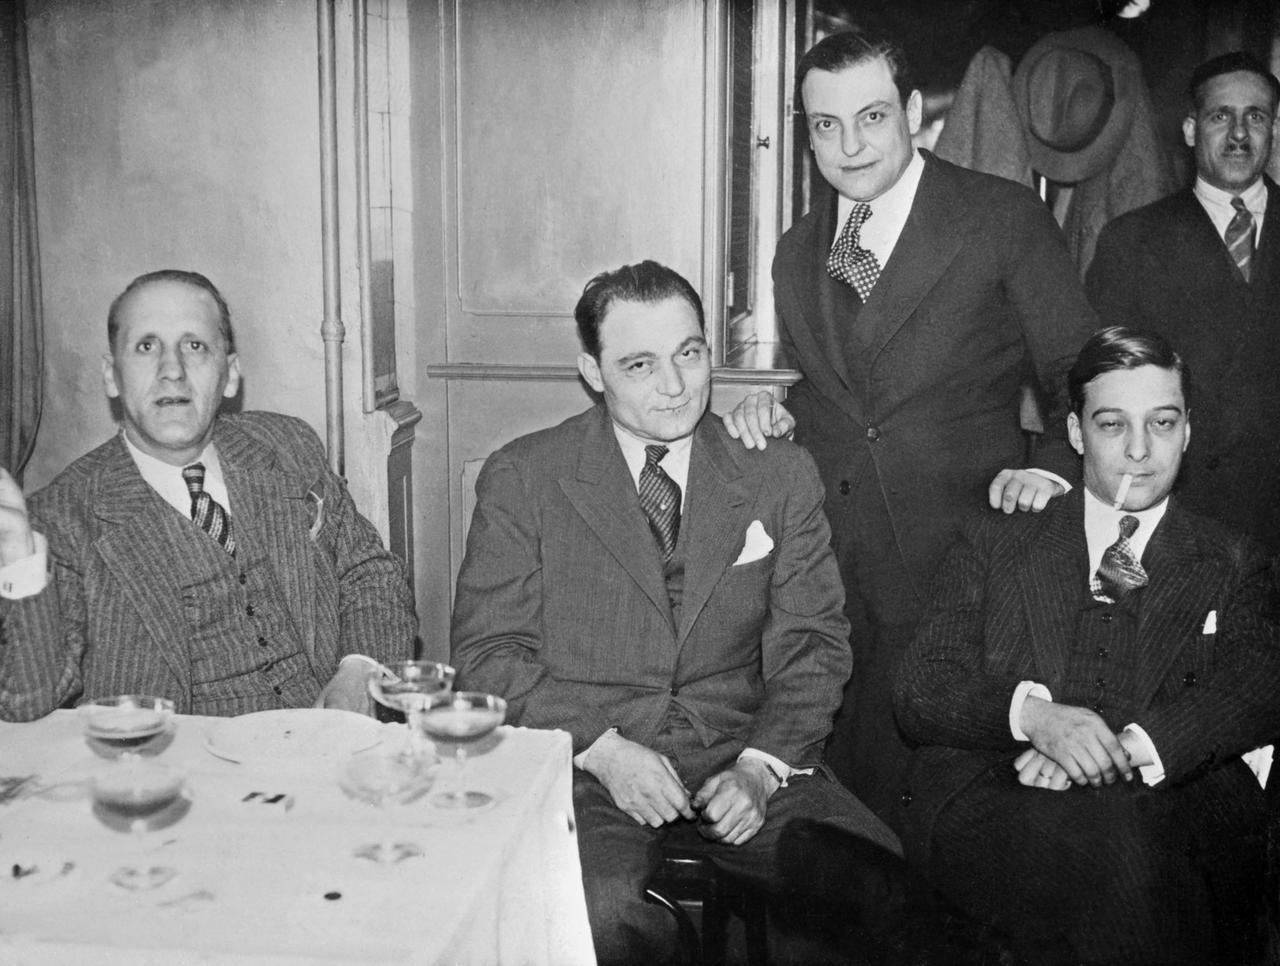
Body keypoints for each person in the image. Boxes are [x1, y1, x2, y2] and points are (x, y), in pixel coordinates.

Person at [451, 261, 904, 964]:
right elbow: (488, 658)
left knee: (875, 884)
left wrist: (759, 768)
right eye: (640, 364)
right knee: (594, 915)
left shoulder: (775, 474)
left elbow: (813, 646)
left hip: (740, 745)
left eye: (689, 354)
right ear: (593, 372)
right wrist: (603, 750)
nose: (675, 385)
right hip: (587, 761)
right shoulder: (525, 477)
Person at [724, 27, 1096, 827]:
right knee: (842, 820)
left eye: (871, 118)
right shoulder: (795, 252)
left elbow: (1083, 372)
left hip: (958, 562)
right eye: (826, 125)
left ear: (914, 112)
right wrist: (775, 413)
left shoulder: (1001, 218)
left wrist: (1058, 466)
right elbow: (845, 398)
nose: (850, 145)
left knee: (944, 816)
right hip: (833, 574)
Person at [893, 326, 1280, 965]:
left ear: (1189, 429)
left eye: (1162, 423)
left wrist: (1120, 748)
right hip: (1004, 792)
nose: (1139, 450)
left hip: (1168, 798)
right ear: (1074, 433)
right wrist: (1037, 719)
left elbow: (1260, 681)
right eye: (1110, 425)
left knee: (1130, 848)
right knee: (1119, 859)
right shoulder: (996, 540)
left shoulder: (1233, 561)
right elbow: (920, 686)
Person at [0, 269, 417, 720]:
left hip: (324, 745)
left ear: (231, 375)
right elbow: (29, 701)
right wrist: (19, 559)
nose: (172, 371)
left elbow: (370, 573)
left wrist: (359, 671)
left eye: (194, 346)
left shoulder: (285, 446)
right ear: (111, 377)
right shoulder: (63, 515)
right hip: (177, 772)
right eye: (146, 346)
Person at [1086, 51, 1280, 554]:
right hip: (1189, 521)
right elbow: (1102, 390)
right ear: (1192, 129)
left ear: (1273, 130)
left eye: (1255, 117)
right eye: (1221, 116)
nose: (1239, 133)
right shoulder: (1131, 242)